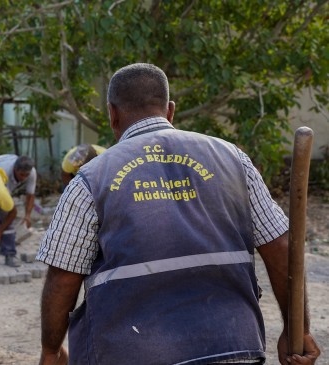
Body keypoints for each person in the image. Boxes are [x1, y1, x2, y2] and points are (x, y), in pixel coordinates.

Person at [36, 63, 321, 365]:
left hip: (130, 353)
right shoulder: (233, 160)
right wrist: (296, 328)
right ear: (170, 110)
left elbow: (63, 278)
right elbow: (281, 248)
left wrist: (51, 350)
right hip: (232, 347)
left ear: (112, 114)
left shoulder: (91, 179)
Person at [0, 154, 37, 228]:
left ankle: (1, 230)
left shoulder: (32, 172)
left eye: (26, 175)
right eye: (21, 175)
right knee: (0, 210)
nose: (24, 178)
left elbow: (30, 195)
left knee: (7, 212)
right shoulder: (3, 172)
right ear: (15, 169)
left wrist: (27, 216)